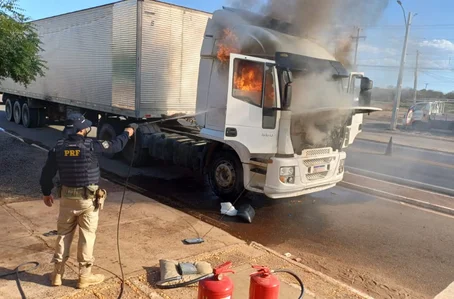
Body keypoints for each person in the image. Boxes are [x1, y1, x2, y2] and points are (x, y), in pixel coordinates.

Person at [39, 113, 137, 289]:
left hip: (67, 200)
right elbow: (115, 146)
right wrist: (128, 132)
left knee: (63, 235)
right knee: (87, 237)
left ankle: (57, 275)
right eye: (85, 126)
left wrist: (46, 192)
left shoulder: (58, 148)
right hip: (88, 201)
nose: (87, 128)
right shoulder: (91, 145)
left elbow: (47, 173)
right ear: (81, 130)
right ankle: (84, 277)